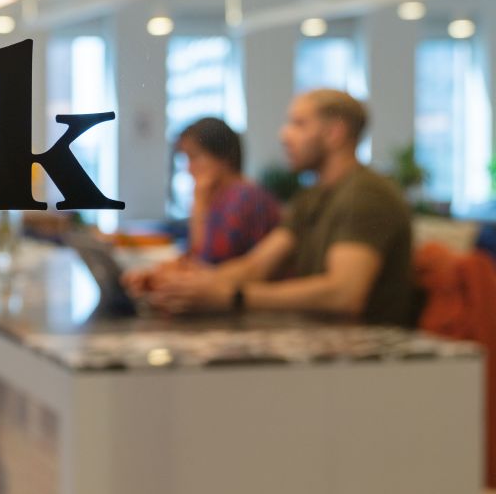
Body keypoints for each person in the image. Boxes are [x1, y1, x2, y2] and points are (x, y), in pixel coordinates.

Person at [135, 89, 414, 326]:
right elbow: (256, 265)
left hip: (367, 363)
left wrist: (233, 296)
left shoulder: (365, 194)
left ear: (334, 133)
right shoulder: (314, 197)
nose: (284, 135)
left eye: (299, 124)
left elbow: (343, 294)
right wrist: (179, 284)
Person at [177, 117, 279, 264]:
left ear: (223, 156)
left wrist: (199, 205)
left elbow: (208, 263)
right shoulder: (221, 196)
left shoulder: (246, 198)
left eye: (194, 157)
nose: (189, 168)